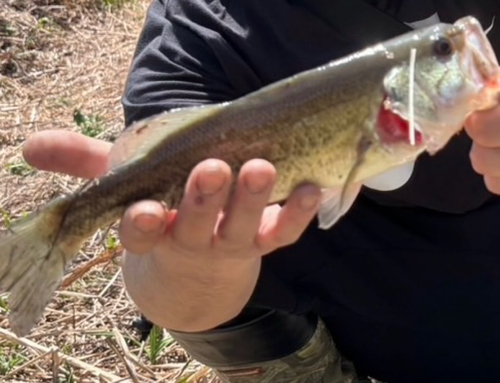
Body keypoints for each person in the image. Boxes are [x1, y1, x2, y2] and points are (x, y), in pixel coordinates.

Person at [21, 1, 500, 382]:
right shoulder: (195, 37)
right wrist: (192, 265)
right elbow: (159, 285)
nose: (461, 46)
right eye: (440, 51)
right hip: (326, 296)